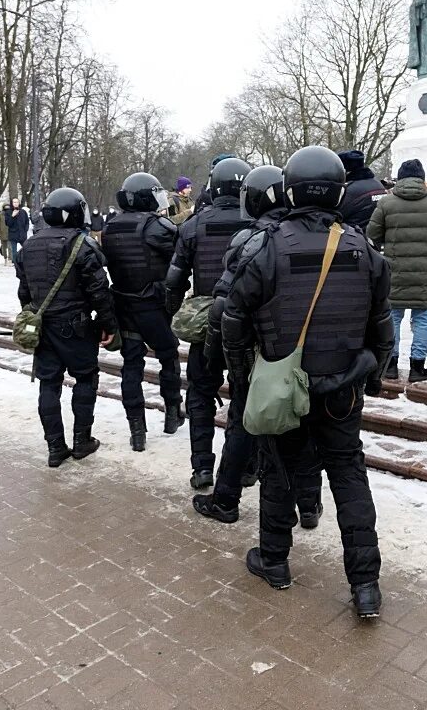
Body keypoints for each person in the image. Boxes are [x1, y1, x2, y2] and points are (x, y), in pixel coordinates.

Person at [222, 145, 393, 617]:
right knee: (349, 477)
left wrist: (243, 379)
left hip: (284, 385)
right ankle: (366, 587)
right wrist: (371, 378)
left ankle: (275, 561)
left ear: (289, 188)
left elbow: (232, 316)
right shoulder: (364, 248)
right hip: (343, 389)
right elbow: (383, 326)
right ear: (338, 189)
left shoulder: (267, 245)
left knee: (279, 470)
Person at [194, 164, 323, 528]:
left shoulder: (254, 239)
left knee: (242, 423)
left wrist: (221, 357)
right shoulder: (323, 235)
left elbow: (225, 304)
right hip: (312, 352)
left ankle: (226, 499)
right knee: (305, 428)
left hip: (261, 353)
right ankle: (309, 505)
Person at [165, 156, 253, 489]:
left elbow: (174, 280)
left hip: (207, 325)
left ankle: (202, 466)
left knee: (200, 393)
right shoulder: (260, 226)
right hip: (248, 325)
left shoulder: (193, 225)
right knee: (245, 395)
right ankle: (245, 466)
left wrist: (173, 315)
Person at [16, 188, 118, 467]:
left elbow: (24, 293)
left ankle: (55, 447)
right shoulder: (82, 244)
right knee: (86, 379)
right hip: (76, 327)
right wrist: (108, 324)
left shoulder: (29, 246)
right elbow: (99, 291)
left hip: (44, 327)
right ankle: (82, 441)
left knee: (49, 384)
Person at [101, 172, 182, 451]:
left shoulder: (110, 227)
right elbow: (181, 254)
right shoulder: (157, 226)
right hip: (154, 306)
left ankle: (137, 431)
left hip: (124, 305)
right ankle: (173, 413)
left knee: (131, 366)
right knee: (168, 357)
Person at [367, 159, 427, 382]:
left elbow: (372, 233)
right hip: (426, 272)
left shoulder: (386, 203)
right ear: (422, 178)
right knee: (423, 320)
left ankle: (391, 366)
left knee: (393, 318)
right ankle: (417, 368)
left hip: (395, 271)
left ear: (400, 177)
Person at [336, 149, 389, 231]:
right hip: (378, 237)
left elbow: (334, 216)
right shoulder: (378, 185)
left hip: (353, 238)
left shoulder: (348, 190)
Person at [4, 198, 31, 263]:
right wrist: (12, 216)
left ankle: (26, 261)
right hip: (13, 234)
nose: (15, 204)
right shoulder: (8, 212)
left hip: (22, 234)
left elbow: (27, 222)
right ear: (12, 203)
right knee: (14, 250)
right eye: (14, 202)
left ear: (19, 203)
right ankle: (15, 262)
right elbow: (8, 224)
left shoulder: (23, 212)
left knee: (26, 248)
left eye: (17, 202)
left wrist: (25, 230)